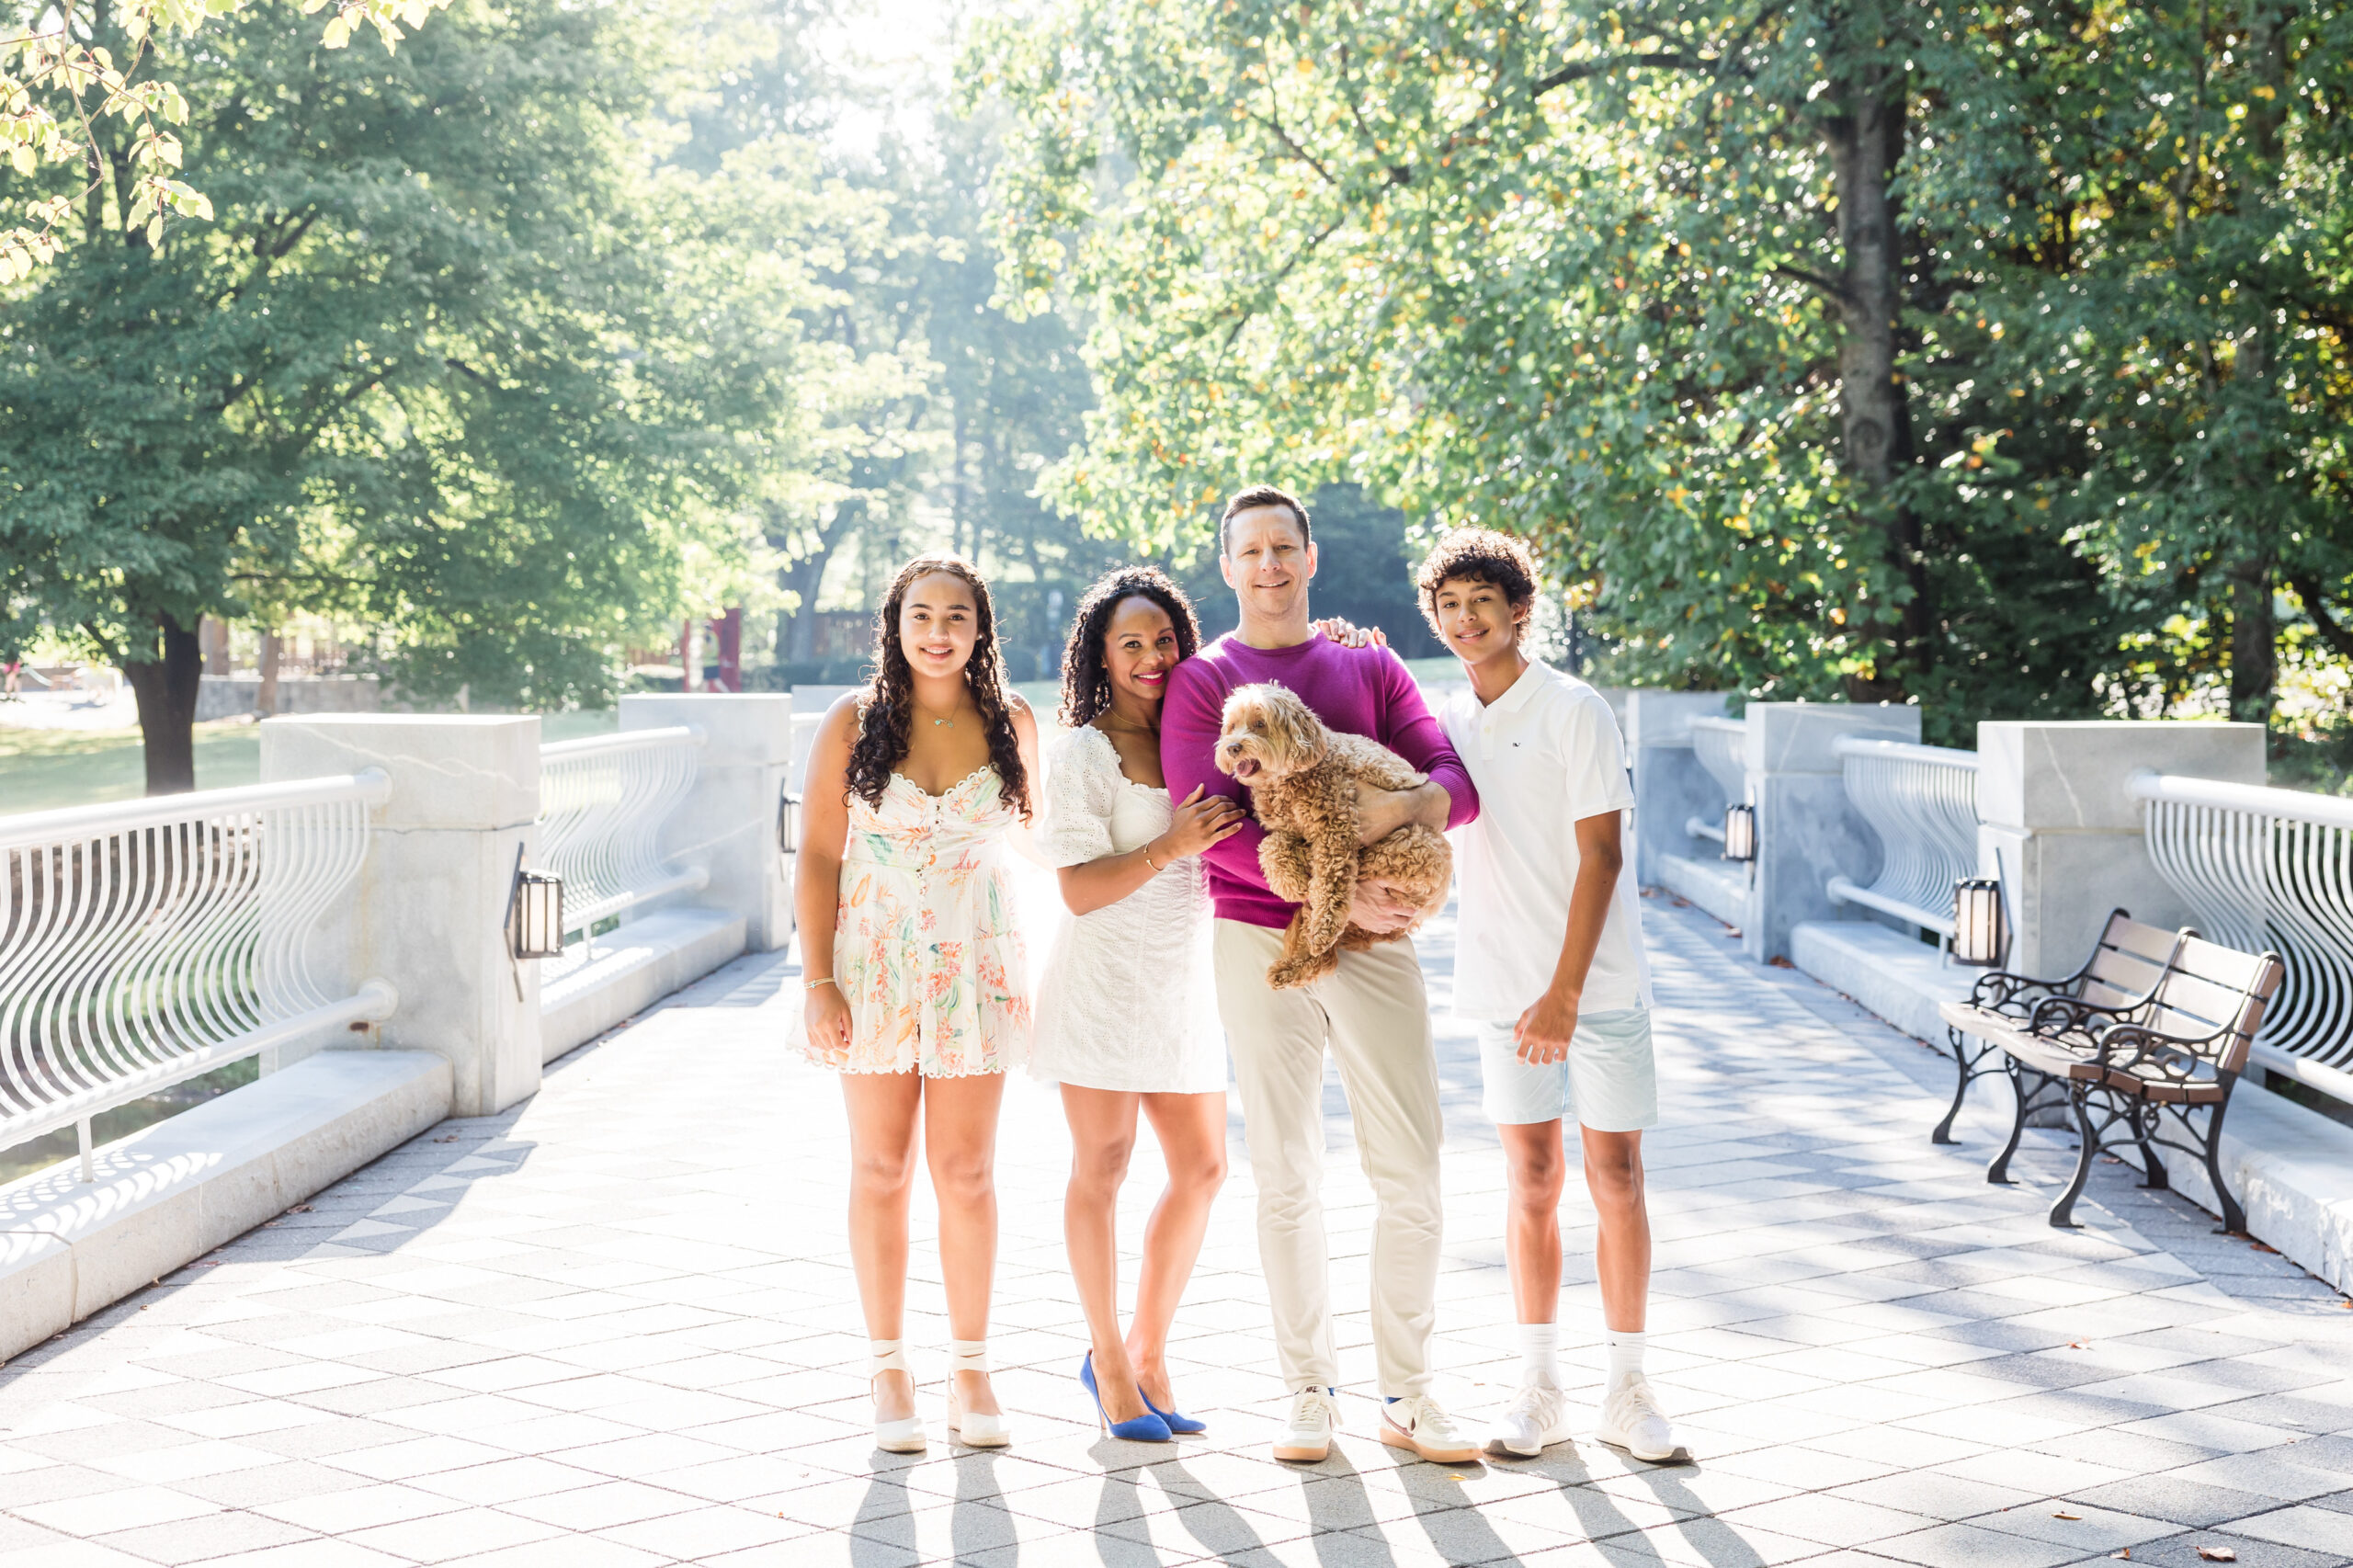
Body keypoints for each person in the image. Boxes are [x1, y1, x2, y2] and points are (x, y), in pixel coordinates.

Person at [1161, 484, 1483, 1466]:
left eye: (1282, 548)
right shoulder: (1203, 682)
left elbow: (1453, 784)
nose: (1266, 565)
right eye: (1247, 551)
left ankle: (1408, 1392)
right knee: (1287, 1174)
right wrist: (1319, 904)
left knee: (1412, 1171)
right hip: (1263, 941)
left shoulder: (1365, 660)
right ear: (1227, 568)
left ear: (1311, 559)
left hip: (1381, 937)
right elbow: (1208, 830)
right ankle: (1308, 1389)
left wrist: (1387, 832)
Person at [1416, 527, 1684, 1465]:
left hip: (1595, 987)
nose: (1463, 620)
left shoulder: (1574, 707)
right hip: (1500, 988)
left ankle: (1630, 1387)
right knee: (1530, 1181)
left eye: (1479, 603)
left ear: (1519, 609)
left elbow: (1602, 853)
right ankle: (1538, 1385)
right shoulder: (1450, 718)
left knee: (1616, 1178)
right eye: (1446, 606)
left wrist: (1565, 990)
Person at [797, 552, 1041, 1456]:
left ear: (981, 630)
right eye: (921, 615)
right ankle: (888, 1366)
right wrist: (818, 980)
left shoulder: (1011, 720)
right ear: (894, 625)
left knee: (968, 1171)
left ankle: (971, 1367)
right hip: (875, 965)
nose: (938, 631)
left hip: (977, 962)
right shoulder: (852, 721)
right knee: (881, 1168)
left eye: (957, 617)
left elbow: (1047, 840)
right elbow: (820, 855)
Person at [1031, 567, 1244, 1442]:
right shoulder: (1084, 748)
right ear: (1101, 655)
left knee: (1203, 1169)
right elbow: (1078, 890)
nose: (1152, 657)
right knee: (1105, 1168)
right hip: (1103, 982)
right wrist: (1168, 844)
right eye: (1131, 643)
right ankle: (1106, 1361)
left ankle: (1148, 1350)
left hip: (1183, 984)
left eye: (1164, 640)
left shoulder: (1209, 735)